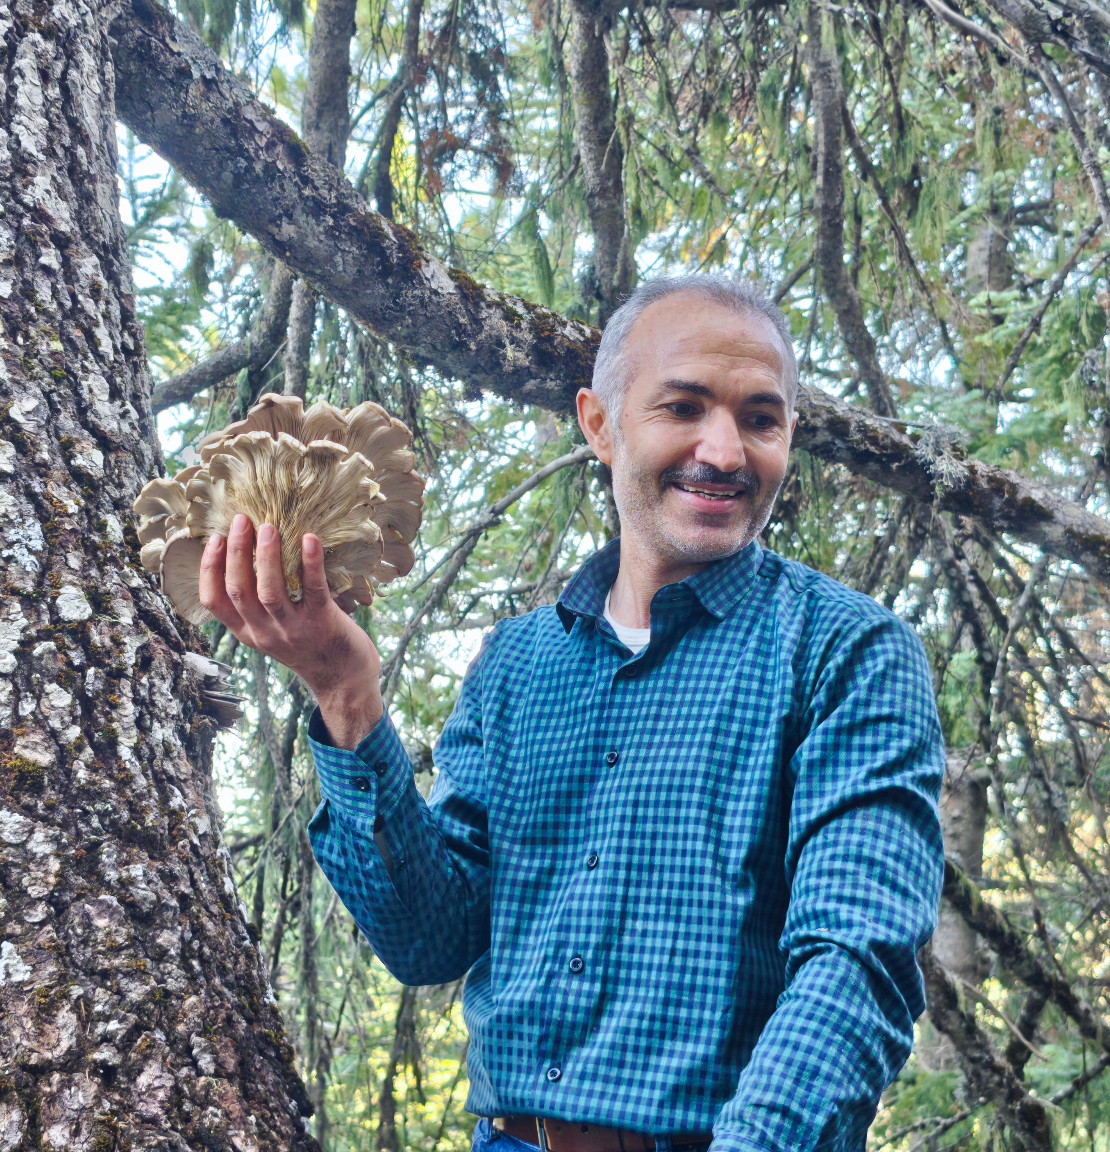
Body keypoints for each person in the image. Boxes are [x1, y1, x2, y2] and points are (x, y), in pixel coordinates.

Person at [196, 274, 946, 1152]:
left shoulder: (847, 652)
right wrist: (343, 693)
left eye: (760, 419)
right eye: (684, 406)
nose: (726, 450)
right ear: (600, 423)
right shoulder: (517, 663)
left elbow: (859, 963)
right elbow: (431, 939)